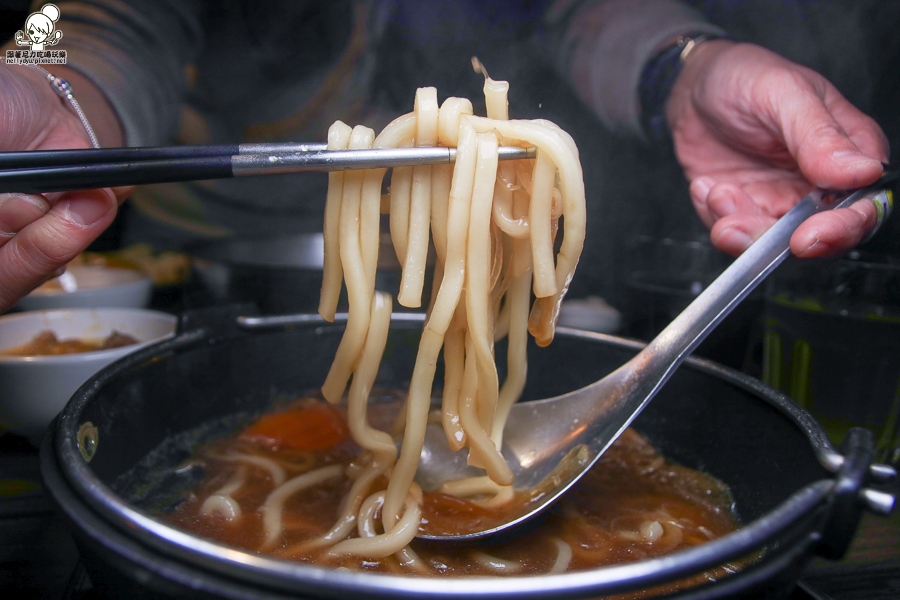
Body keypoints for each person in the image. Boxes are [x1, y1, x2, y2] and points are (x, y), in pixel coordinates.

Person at [0, 0, 889, 313]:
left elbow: (575, 5)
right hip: (221, 252)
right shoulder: (46, 35)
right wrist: (38, 74)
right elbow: (75, 12)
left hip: (432, 256)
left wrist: (688, 65)